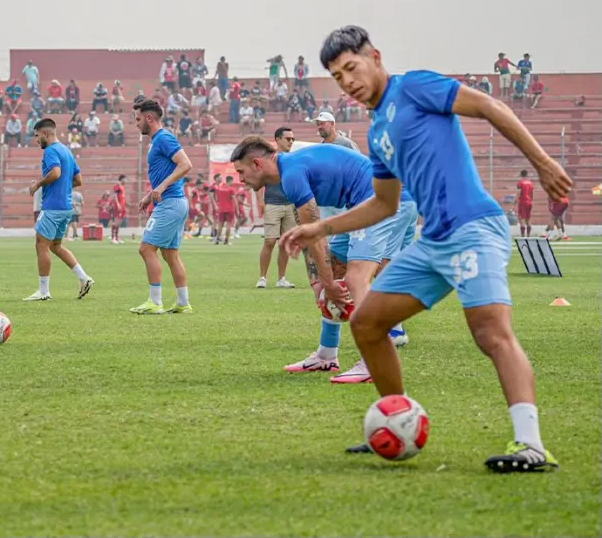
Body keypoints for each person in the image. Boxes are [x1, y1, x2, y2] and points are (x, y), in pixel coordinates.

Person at [281, 25, 570, 471]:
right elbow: (383, 203)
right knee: (369, 323)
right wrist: (320, 228)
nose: (348, 81)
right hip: (433, 241)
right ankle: (396, 420)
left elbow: (490, 107)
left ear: (375, 57)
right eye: (338, 77)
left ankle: (530, 445)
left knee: (490, 332)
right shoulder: (377, 132)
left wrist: (544, 161)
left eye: (352, 68)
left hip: (474, 227)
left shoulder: (414, 86)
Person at [232, 137, 406, 384]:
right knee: (334, 271)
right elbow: (308, 233)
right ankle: (326, 355)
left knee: (356, 278)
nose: (240, 179)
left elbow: (313, 233)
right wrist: (321, 283)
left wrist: (329, 284)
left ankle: (375, 361)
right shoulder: (289, 171)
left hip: (380, 199)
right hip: (363, 202)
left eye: (241, 171)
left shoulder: (291, 174)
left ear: (257, 164)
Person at [129, 99, 193, 314]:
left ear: (149, 118)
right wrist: (150, 195)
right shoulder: (157, 141)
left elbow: (186, 164)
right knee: (170, 254)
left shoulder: (164, 138)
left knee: (146, 248)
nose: (136, 124)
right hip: (174, 201)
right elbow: (166, 172)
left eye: (138, 119)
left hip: (170, 202)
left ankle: (155, 302)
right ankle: (183, 303)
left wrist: (163, 187)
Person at [25, 118, 95, 300]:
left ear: (46, 134)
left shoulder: (51, 150)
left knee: (41, 244)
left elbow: (55, 173)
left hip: (53, 207)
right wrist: (63, 188)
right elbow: (78, 180)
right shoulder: (67, 151)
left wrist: (37, 184)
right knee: (55, 246)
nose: (36, 140)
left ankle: (43, 291)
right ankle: (84, 277)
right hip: (65, 207)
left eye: (37, 136)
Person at [257, 127, 297, 289]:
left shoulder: (294, 158)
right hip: (272, 203)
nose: (291, 142)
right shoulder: (268, 159)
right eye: (288, 139)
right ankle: (262, 278)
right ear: (278, 139)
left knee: (285, 243)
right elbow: (259, 181)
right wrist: (261, 202)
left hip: (290, 205)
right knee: (269, 241)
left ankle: (281, 279)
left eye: (292, 139)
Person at [516, 170, 535, 238]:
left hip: (522, 202)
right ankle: (528, 236)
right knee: (528, 218)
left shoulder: (520, 183)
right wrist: (531, 200)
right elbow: (532, 193)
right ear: (527, 174)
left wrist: (515, 202)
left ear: (521, 174)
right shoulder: (530, 183)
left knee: (522, 218)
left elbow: (518, 193)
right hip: (529, 202)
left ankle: (523, 236)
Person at [110, 175, 127, 244]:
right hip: (118, 206)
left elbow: (122, 197)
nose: (126, 181)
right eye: (125, 179)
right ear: (122, 179)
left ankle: (117, 237)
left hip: (122, 207)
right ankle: (113, 237)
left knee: (119, 223)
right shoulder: (117, 186)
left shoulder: (122, 187)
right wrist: (118, 204)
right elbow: (115, 195)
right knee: (116, 222)